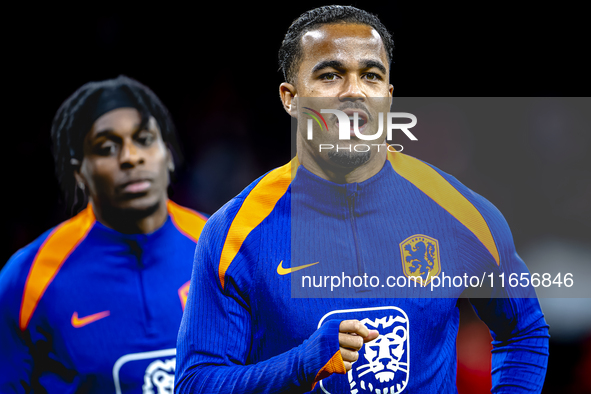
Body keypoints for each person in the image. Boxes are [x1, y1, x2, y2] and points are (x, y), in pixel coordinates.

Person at [175, 6, 549, 394]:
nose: (353, 91)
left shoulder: (458, 212)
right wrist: (302, 363)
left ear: (387, 97)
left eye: (370, 76)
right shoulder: (234, 234)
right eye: (330, 75)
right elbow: (196, 383)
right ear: (290, 98)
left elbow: (525, 330)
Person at [0, 75, 207, 393]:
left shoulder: (224, 249)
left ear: (167, 154)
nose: (130, 157)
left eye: (144, 139)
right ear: (79, 172)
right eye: (107, 148)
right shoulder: (27, 278)